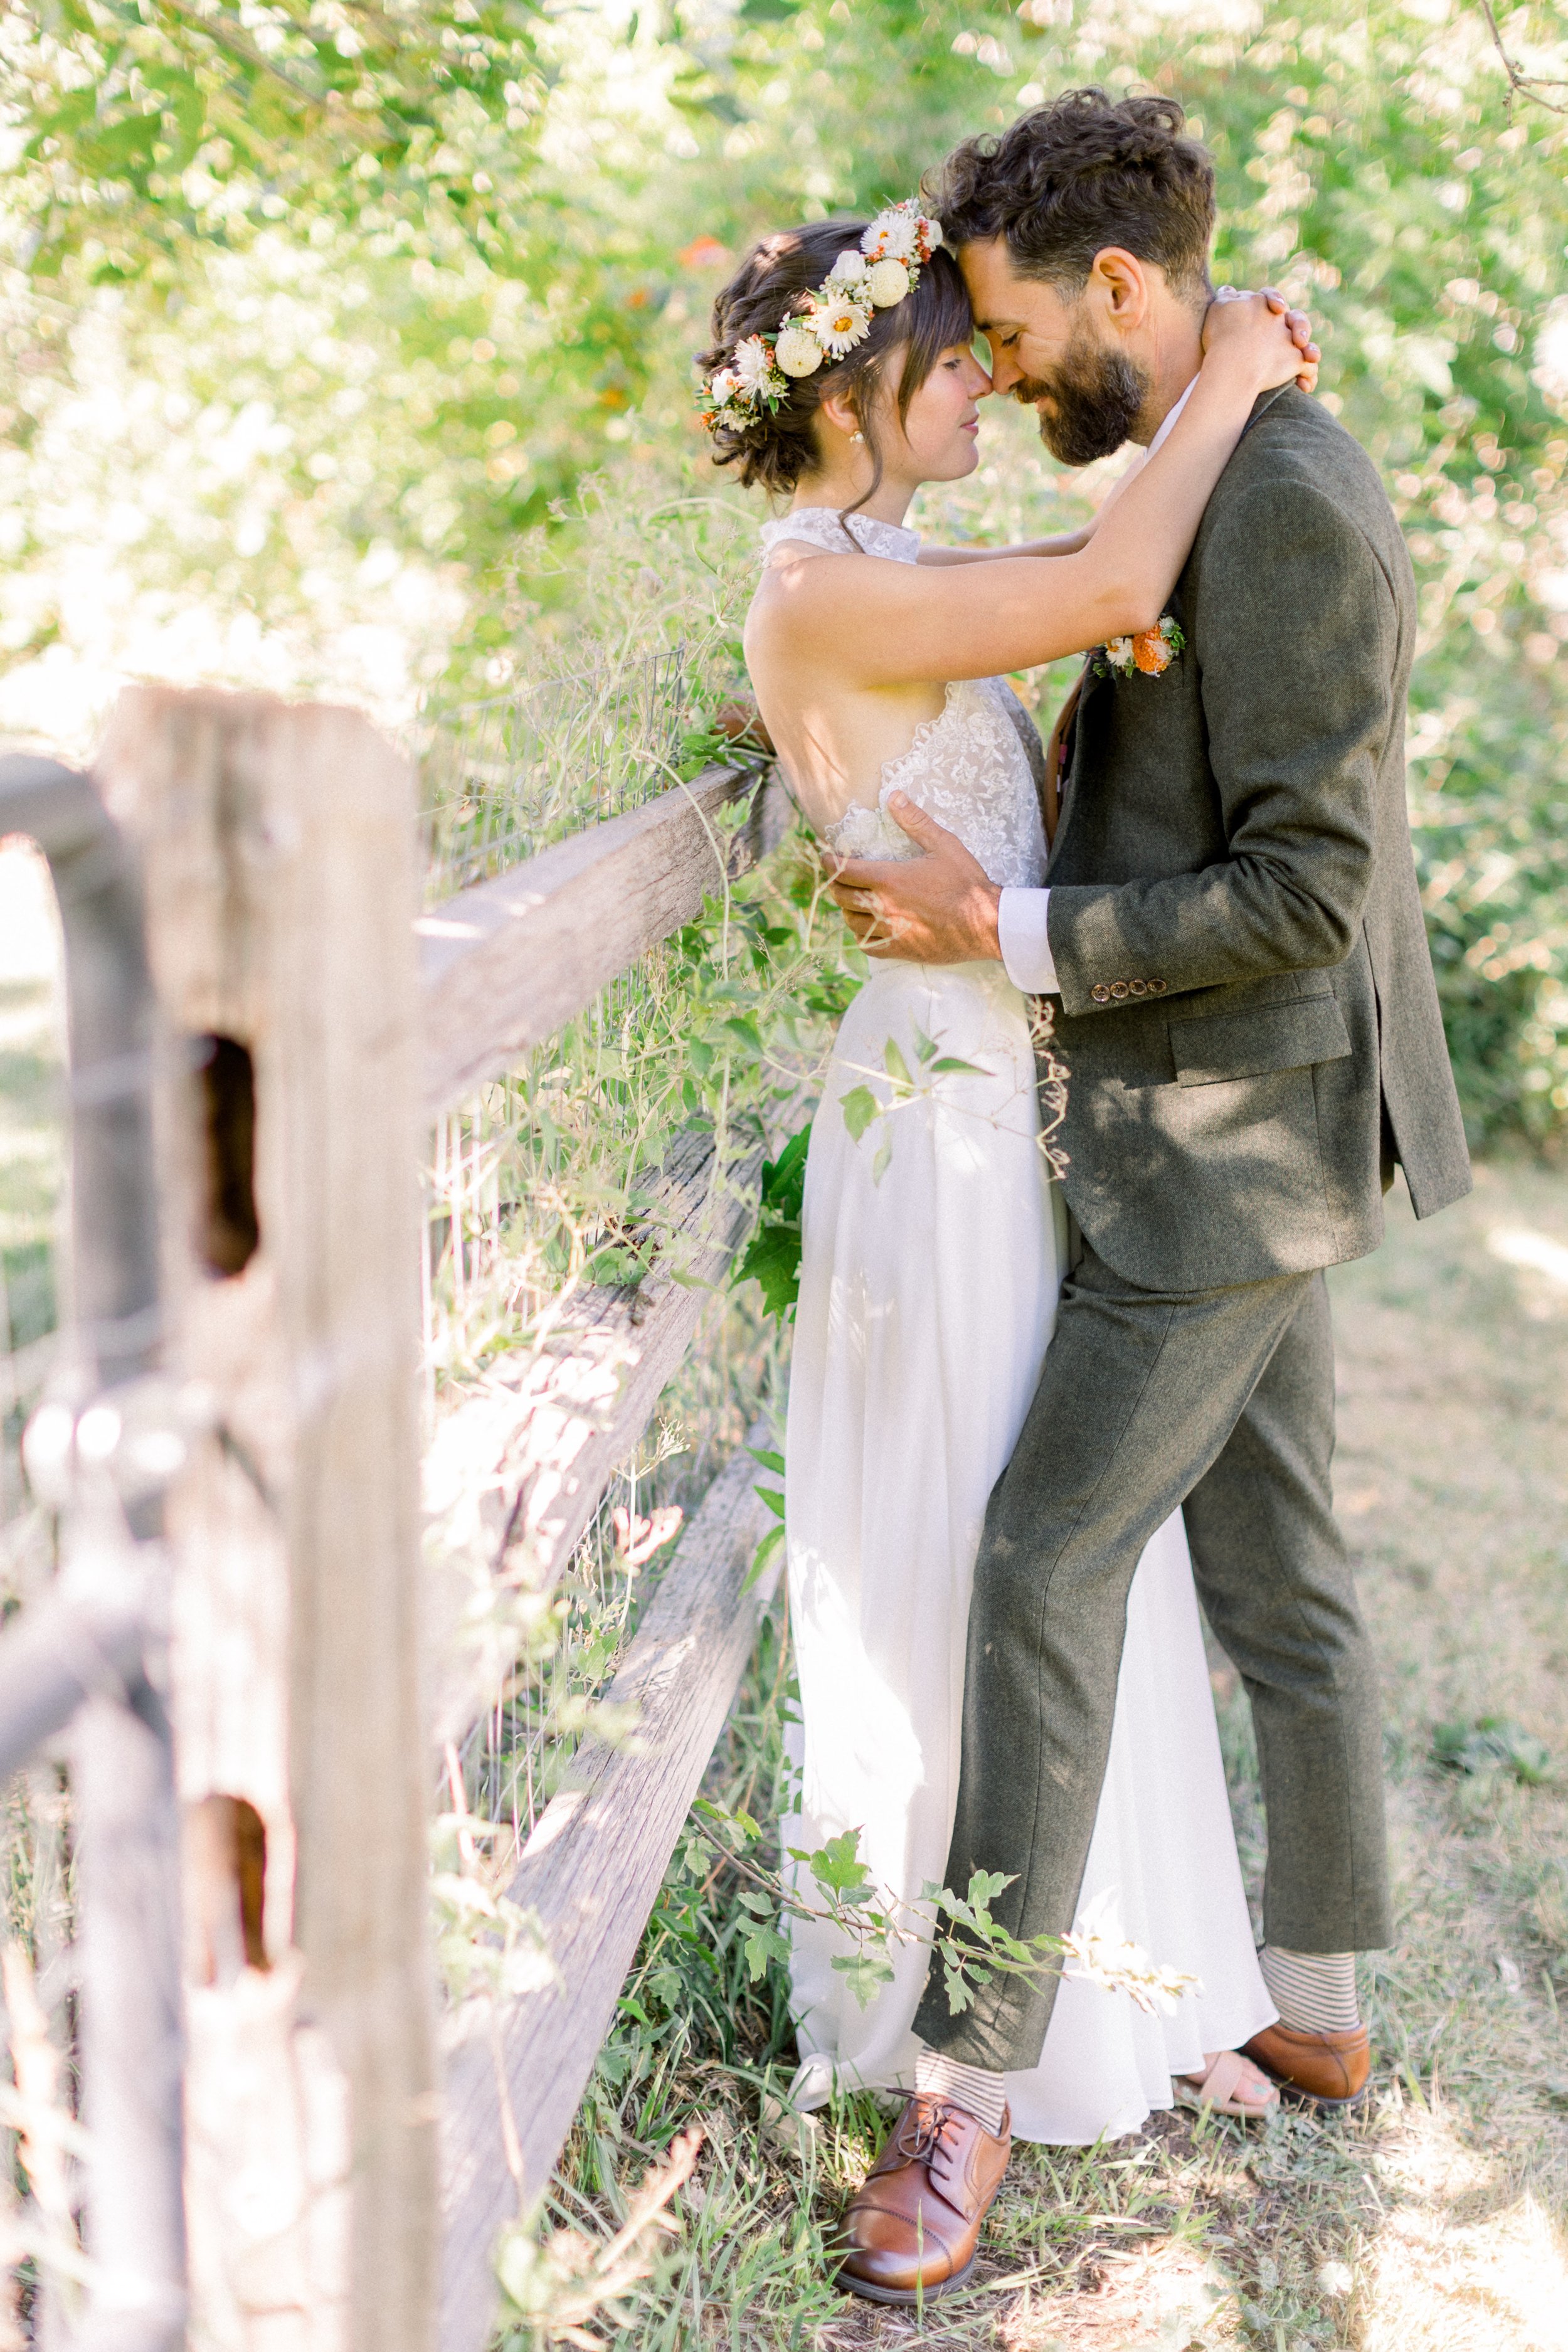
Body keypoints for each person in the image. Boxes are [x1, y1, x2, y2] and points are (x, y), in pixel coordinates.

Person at [817, 90, 1473, 2302]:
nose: (998, 375)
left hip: (1227, 1133)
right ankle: (1315, 1991)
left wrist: (995, 945)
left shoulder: (1281, 498)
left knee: (1039, 1557)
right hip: (1223, 1109)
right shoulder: (1207, 464)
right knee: (1278, 1568)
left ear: (1122, 285)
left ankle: (964, 2091)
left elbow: (1305, 886)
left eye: (1011, 334)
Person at [701, 184, 1321, 2309]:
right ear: (868, 384)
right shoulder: (821, 589)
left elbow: (1034, 656)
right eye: (954, 355)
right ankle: (945, 2033)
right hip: (940, 1132)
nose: (987, 374)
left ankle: (1115, 1989)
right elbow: (1114, 577)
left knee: (1066, 1550)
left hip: (1011, 1091)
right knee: (982, 1548)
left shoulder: (868, 571)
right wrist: (1232, 360)